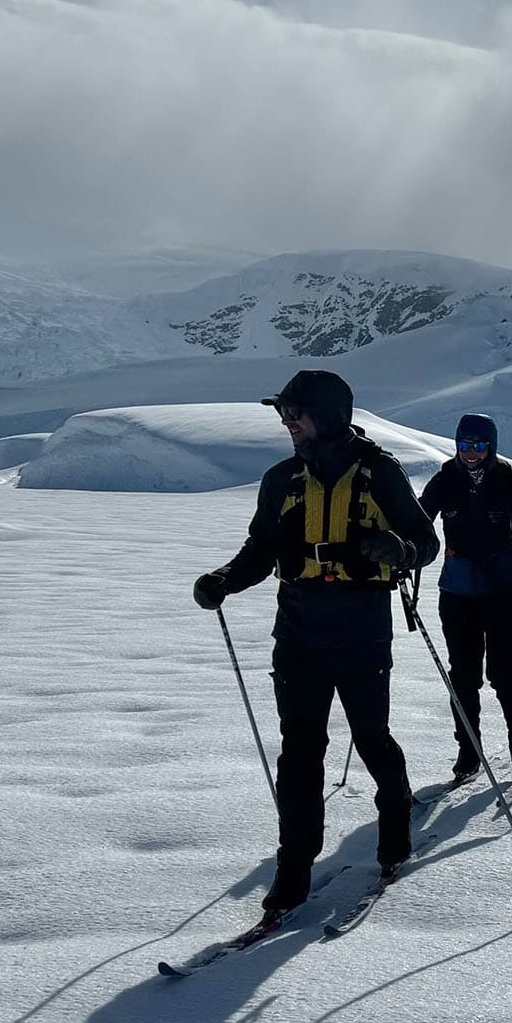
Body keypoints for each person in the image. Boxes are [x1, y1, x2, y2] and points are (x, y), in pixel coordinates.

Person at [192, 369, 439, 930]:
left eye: (294, 414)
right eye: (284, 414)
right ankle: (293, 870)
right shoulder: (280, 479)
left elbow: (427, 543)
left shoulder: (380, 473)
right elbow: (261, 549)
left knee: (371, 736)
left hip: (361, 626)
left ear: (325, 415)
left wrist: (398, 547)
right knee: (299, 751)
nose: (286, 423)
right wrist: (226, 579)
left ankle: (395, 831)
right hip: (298, 629)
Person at [418, 413, 512, 783]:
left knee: (504, 670)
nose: (470, 453)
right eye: (464, 445)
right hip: (457, 592)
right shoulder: (444, 481)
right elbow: (418, 523)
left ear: (491, 446)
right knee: (463, 677)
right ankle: (468, 753)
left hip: (504, 590)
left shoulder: (511, 482)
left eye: (478, 446)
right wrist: (400, 556)